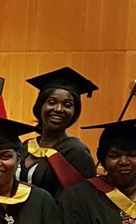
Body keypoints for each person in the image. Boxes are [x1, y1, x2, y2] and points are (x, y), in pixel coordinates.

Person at [20, 66, 99, 196]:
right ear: (40, 106)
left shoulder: (76, 152)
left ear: (74, 112)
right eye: (51, 102)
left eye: (67, 105)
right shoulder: (26, 146)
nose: (58, 109)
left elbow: (81, 200)